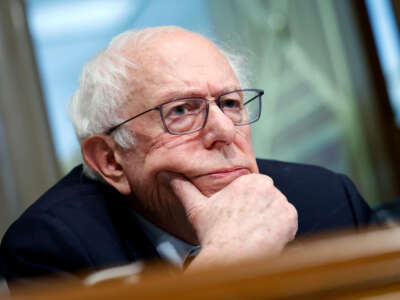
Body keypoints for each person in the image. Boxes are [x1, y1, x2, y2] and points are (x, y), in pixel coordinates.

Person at [0, 26, 371, 282]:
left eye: (230, 103)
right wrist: (227, 261)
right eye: (180, 111)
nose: (225, 132)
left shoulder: (328, 201)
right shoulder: (53, 248)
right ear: (111, 160)